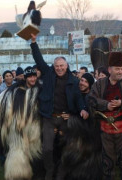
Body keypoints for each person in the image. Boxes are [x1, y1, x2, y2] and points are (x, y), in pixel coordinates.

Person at [30, 33, 89, 180]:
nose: (59, 68)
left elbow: (79, 99)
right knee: (47, 149)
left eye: (62, 66)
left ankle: (61, 173)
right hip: (49, 118)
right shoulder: (48, 74)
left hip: (65, 119)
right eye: (57, 66)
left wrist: (83, 109)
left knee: (66, 148)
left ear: (66, 66)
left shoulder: (74, 81)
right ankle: (49, 170)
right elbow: (39, 59)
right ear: (53, 67)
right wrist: (33, 42)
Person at [0, 66, 41, 180]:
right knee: (17, 152)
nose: (32, 79)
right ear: (25, 78)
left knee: (35, 155)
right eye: (29, 77)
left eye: (34, 76)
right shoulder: (14, 91)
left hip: (34, 130)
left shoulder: (39, 91)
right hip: (16, 130)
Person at [89, 52, 122, 180]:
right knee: (107, 161)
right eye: (117, 69)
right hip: (105, 129)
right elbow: (90, 99)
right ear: (109, 69)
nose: (120, 72)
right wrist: (106, 105)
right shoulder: (99, 84)